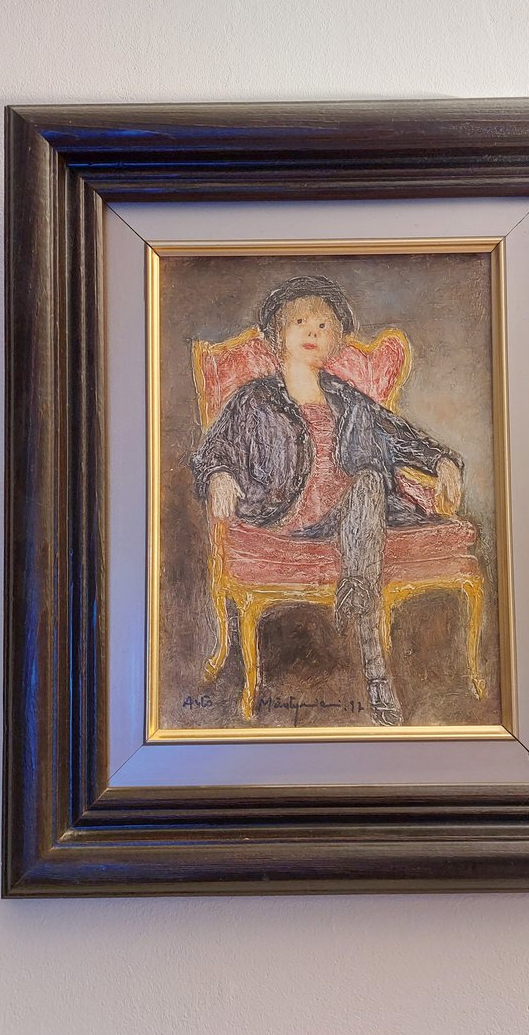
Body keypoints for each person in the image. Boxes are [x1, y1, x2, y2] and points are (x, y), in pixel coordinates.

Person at [189, 275, 465, 726]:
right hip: (284, 511)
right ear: (279, 335)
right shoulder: (254, 398)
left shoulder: (348, 398)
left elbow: (399, 435)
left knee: (370, 479)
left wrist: (442, 461)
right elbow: (213, 451)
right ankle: (371, 648)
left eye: (323, 325)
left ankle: (371, 653)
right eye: (300, 322)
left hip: (349, 516)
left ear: (336, 340)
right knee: (369, 489)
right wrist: (219, 476)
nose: (313, 332)